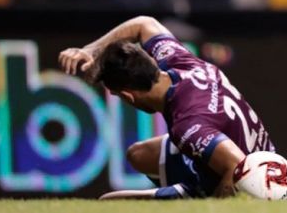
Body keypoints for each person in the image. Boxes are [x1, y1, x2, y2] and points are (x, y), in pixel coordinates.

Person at [59, 16, 275, 199]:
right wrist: (91, 51)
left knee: (111, 202)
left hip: (256, 182)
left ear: (128, 96)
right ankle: (184, 191)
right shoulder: (176, 60)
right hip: (262, 156)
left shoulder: (188, 125)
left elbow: (239, 167)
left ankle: (194, 195)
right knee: (138, 154)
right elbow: (144, 23)